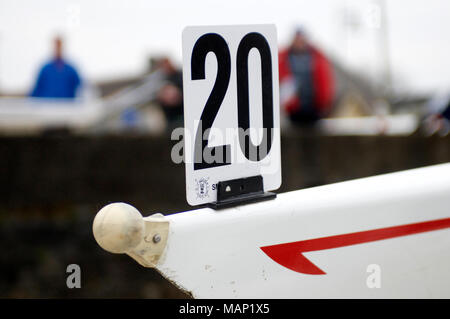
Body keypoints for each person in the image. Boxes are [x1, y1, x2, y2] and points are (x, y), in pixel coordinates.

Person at [279, 28, 334, 126]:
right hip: (294, 111)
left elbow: (325, 82)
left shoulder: (317, 57)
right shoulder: (284, 58)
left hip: (314, 110)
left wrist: (324, 103)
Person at [155, 57, 184, 131]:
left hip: (182, 117)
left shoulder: (181, 76)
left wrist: (176, 95)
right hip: (171, 120)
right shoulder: (162, 79)